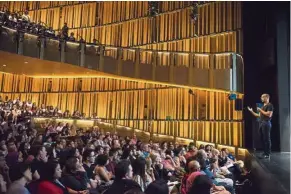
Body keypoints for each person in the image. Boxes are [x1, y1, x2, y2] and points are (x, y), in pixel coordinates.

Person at [247, 93, 274, 158]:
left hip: (266, 123)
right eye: (261, 97)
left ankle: (267, 153)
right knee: (262, 138)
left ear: (267, 98)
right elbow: (258, 115)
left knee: (267, 139)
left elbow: (269, 114)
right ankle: (265, 152)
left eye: (262, 97)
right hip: (261, 123)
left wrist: (260, 110)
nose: (261, 98)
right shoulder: (263, 106)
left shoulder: (270, 105)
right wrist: (251, 111)